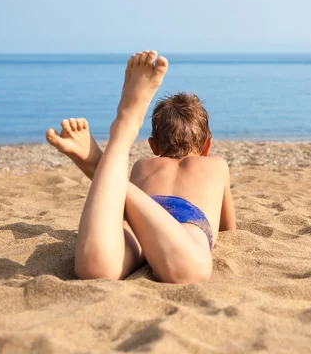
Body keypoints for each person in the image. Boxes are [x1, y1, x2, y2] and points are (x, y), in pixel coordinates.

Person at [45, 50, 236, 283]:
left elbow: (118, 205)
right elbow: (227, 227)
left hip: (141, 219)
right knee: (189, 270)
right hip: (188, 222)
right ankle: (118, 135)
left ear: (153, 145)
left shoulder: (142, 165)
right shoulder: (216, 164)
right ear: (207, 146)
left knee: (96, 268)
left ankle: (106, 154)